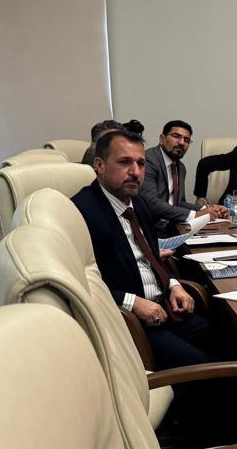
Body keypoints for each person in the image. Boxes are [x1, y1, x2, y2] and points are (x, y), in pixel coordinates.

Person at [72, 129, 216, 369]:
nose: (135, 172)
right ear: (99, 165)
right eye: (124, 162)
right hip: (129, 322)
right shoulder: (82, 210)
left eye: (140, 163)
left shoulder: (137, 203)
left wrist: (174, 285)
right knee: (200, 364)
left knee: (228, 337)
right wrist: (133, 303)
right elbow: (79, 283)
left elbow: (152, 257)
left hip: (164, 307)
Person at [141, 120, 228, 234]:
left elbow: (178, 203)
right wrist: (196, 214)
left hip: (173, 226)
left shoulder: (180, 167)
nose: (182, 143)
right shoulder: (148, 160)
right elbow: (152, 204)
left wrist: (207, 209)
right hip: (150, 229)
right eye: (176, 136)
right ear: (162, 139)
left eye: (186, 140)